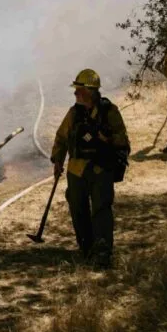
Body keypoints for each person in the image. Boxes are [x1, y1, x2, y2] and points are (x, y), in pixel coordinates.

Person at [50, 68, 130, 268]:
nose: (76, 94)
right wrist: (57, 160)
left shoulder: (109, 112)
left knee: (101, 210)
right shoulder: (74, 113)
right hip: (76, 171)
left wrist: (107, 139)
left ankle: (103, 253)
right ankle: (86, 248)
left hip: (101, 170)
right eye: (76, 90)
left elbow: (123, 141)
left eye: (79, 90)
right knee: (78, 208)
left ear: (90, 91)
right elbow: (61, 137)